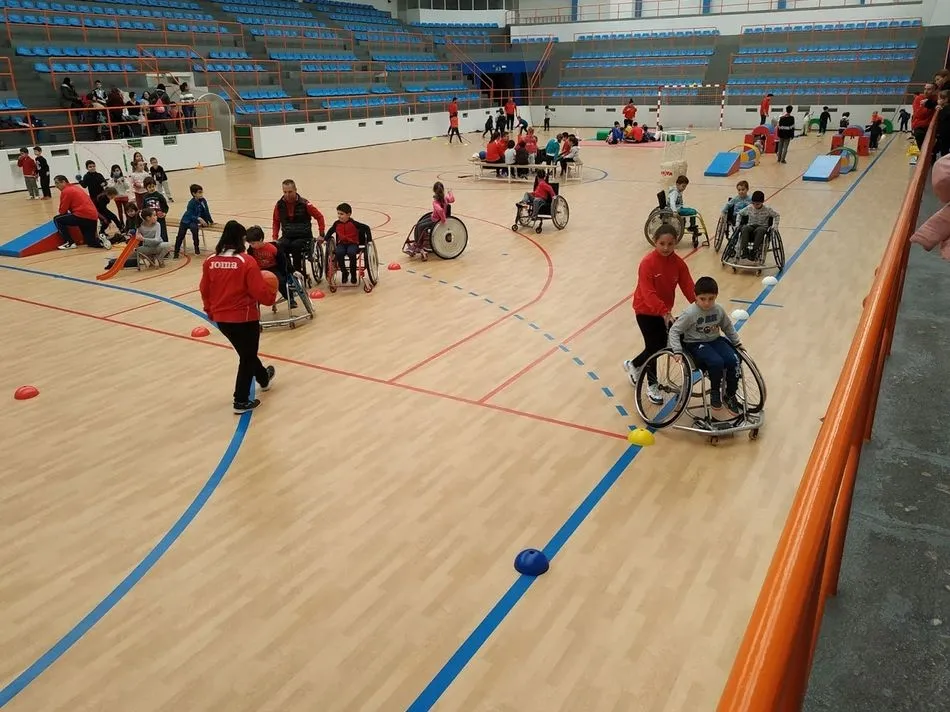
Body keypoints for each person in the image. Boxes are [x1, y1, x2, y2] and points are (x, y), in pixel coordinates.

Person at [200, 220, 278, 414]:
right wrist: (270, 298)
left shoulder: (210, 260)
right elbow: (258, 289)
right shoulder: (246, 261)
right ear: (240, 239)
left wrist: (209, 310)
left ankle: (263, 378)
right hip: (245, 317)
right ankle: (240, 400)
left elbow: (204, 288)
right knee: (247, 356)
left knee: (246, 353)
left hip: (222, 318)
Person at [623, 224, 696, 403]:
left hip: (664, 312)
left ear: (675, 243)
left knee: (661, 345)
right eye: (662, 243)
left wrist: (700, 306)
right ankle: (652, 386)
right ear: (655, 242)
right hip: (645, 310)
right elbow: (648, 293)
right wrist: (664, 312)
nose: (666, 248)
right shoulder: (647, 263)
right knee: (655, 346)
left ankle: (634, 364)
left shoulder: (679, 264)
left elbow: (688, 287)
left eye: (670, 244)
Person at [668, 276, 743, 412]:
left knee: (734, 359)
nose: (707, 303)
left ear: (716, 296)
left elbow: (727, 327)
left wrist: (737, 343)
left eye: (711, 299)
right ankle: (715, 392)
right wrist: (677, 350)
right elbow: (674, 331)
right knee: (716, 362)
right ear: (695, 296)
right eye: (702, 299)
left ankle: (730, 394)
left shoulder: (718, 310)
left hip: (715, 340)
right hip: (696, 343)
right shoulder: (690, 313)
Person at [272, 178, 326, 274]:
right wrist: (275, 238)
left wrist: (321, 234)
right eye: (285, 192)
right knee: (279, 246)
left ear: (295, 190)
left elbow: (319, 217)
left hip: (304, 237)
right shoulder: (279, 205)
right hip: (287, 236)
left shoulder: (305, 204)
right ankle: (287, 271)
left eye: (290, 192)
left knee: (295, 246)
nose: (287, 195)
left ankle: (298, 272)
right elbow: (276, 221)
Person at [324, 202, 372, 286]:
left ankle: (353, 274)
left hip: (353, 244)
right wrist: (325, 239)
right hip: (342, 244)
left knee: (351, 253)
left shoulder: (354, 223)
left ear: (348, 214)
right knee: (339, 253)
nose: (339, 216)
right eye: (338, 214)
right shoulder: (336, 224)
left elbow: (367, 228)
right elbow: (330, 231)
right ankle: (344, 272)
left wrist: (369, 240)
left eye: (341, 214)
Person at [53, 175, 106, 249]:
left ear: (64, 182)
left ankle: (69, 242)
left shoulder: (66, 191)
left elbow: (62, 211)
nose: (56, 186)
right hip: (92, 217)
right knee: (91, 242)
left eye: (57, 183)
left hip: (82, 216)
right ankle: (107, 241)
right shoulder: (75, 187)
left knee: (57, 219)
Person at [246, 225, 290, 304]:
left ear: (260, 239)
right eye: (250, 244)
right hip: (260, 270)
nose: (251, 246)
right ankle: (256, 303)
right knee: (253, 285)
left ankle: (290, 298)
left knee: (281, 282)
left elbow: (283, 261)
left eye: (253, 243)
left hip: (273, 268)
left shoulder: (273, 248)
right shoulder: (251, 250)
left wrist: (286, 272)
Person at [410, 181, 454, 258]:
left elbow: (440, 210)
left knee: (419, 226)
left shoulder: (436, 202)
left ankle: (419, 246)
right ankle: (418, 243)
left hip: (435, 220)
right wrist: (450, 193)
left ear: (434, 191)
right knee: (419, 224)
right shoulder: (446, 198)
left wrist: (443, 220)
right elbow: (452, 199)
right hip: (435, 218)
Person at [736, 190, 780, 262]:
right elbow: (739, 213)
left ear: (762, 202)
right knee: (744, 228)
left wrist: (775, 226)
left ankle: (754, 251)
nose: (755, 205)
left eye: (757, 204)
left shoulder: (767, 209)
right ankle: (745, 250)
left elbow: (777, 215)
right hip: (751, 226)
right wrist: (737, 223)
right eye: (753, 203)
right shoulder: (749, 207)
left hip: (762, 227)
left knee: (760, 230)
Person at [174, 183, 213, 258]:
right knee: (180, 235)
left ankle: (196, 248)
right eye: (199, 192)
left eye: (202, 192)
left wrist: (210, 221)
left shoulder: (203, 201)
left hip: (193, 221)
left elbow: (206, 211)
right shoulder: (191, 203)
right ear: (194, 194)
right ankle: (176, 252)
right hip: (186, 220)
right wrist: (199, 218)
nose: (201, 194)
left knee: (194, 230)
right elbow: (190, 215)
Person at [141, 177, 169, 241]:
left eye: (153, 186)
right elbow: (143, 209)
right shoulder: (145, 197)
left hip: (160, 219)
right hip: (150, 220)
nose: (152, 188)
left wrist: (164, 213)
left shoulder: (159, 196)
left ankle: (165, 245)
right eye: (149, 187)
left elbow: (165, 207)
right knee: (152, 234)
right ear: (146, 188)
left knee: (163, 233)